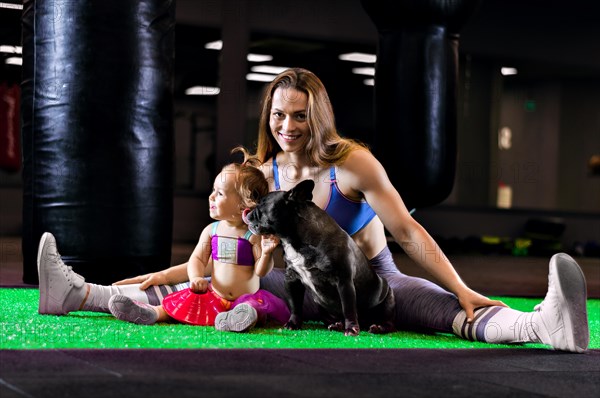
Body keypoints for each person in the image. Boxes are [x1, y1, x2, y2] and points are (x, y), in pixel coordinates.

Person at [37, 68, 589, 352]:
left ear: (318, 114)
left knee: (448, 312)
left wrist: (463, 288)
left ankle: (544, 324)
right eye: (279, 115)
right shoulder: (264, 173)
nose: (288, 127)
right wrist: (174, 273)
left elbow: (406, 229)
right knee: (215, 285)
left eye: (299, 115)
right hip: (295, 288)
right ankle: (79, 293)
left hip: (371, 285)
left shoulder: (353, 164)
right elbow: (230, 250)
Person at [38, 161, 290, 333]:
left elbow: (261, 272)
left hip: (246, 297)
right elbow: (199, 262)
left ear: (244, 204)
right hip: (215, 294)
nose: (211, 197)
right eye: (213, 191)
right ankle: (150, 313)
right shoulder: (211, 231)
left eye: (220, 193)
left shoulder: (252, 235)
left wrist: (267, 253)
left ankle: (242, 317)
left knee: (253, 305)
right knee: (179, 301)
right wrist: (193, 278)